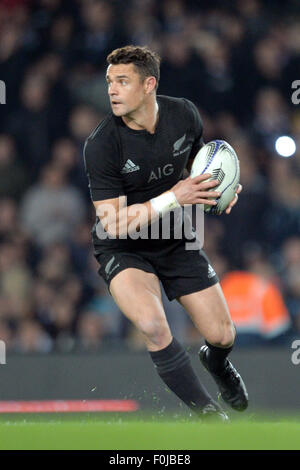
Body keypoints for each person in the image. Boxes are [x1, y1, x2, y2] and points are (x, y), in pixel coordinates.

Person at [83, 45, 248, 420]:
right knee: (153, 326)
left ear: (148, 84)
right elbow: (113, 222)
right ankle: (208, 415)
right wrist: (176, 195)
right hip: (123, 248)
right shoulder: (102, 144)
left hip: (175, 238)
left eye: (122, 81)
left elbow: (202, 166)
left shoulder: (184, 114)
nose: (111, 90)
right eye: (109, 81)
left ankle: (217, 364)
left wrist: (220, 191)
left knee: (223, 335)